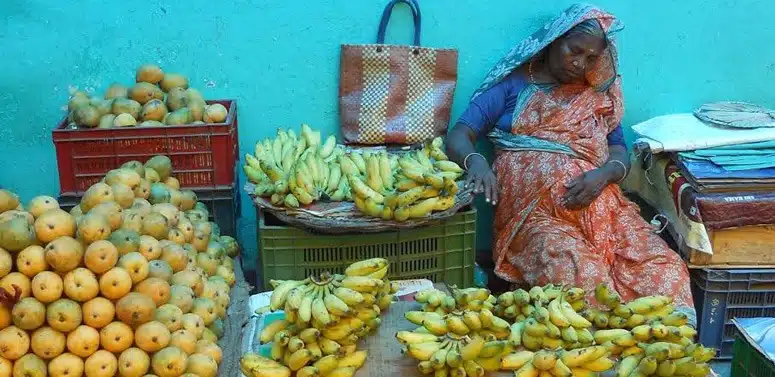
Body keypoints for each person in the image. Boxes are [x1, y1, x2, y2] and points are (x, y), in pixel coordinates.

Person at [446, 3, 695, 323]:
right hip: (537, 220)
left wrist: (604, 175)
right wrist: (476, 162)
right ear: (553, 40)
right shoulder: (513, 86)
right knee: (579, 277)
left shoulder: (598, 96)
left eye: (592, 58)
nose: (580, 63)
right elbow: (459, 135)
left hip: (608, 217)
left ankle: (666, 352)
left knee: (665, 269)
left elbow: (618, 150)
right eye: (574, 51)